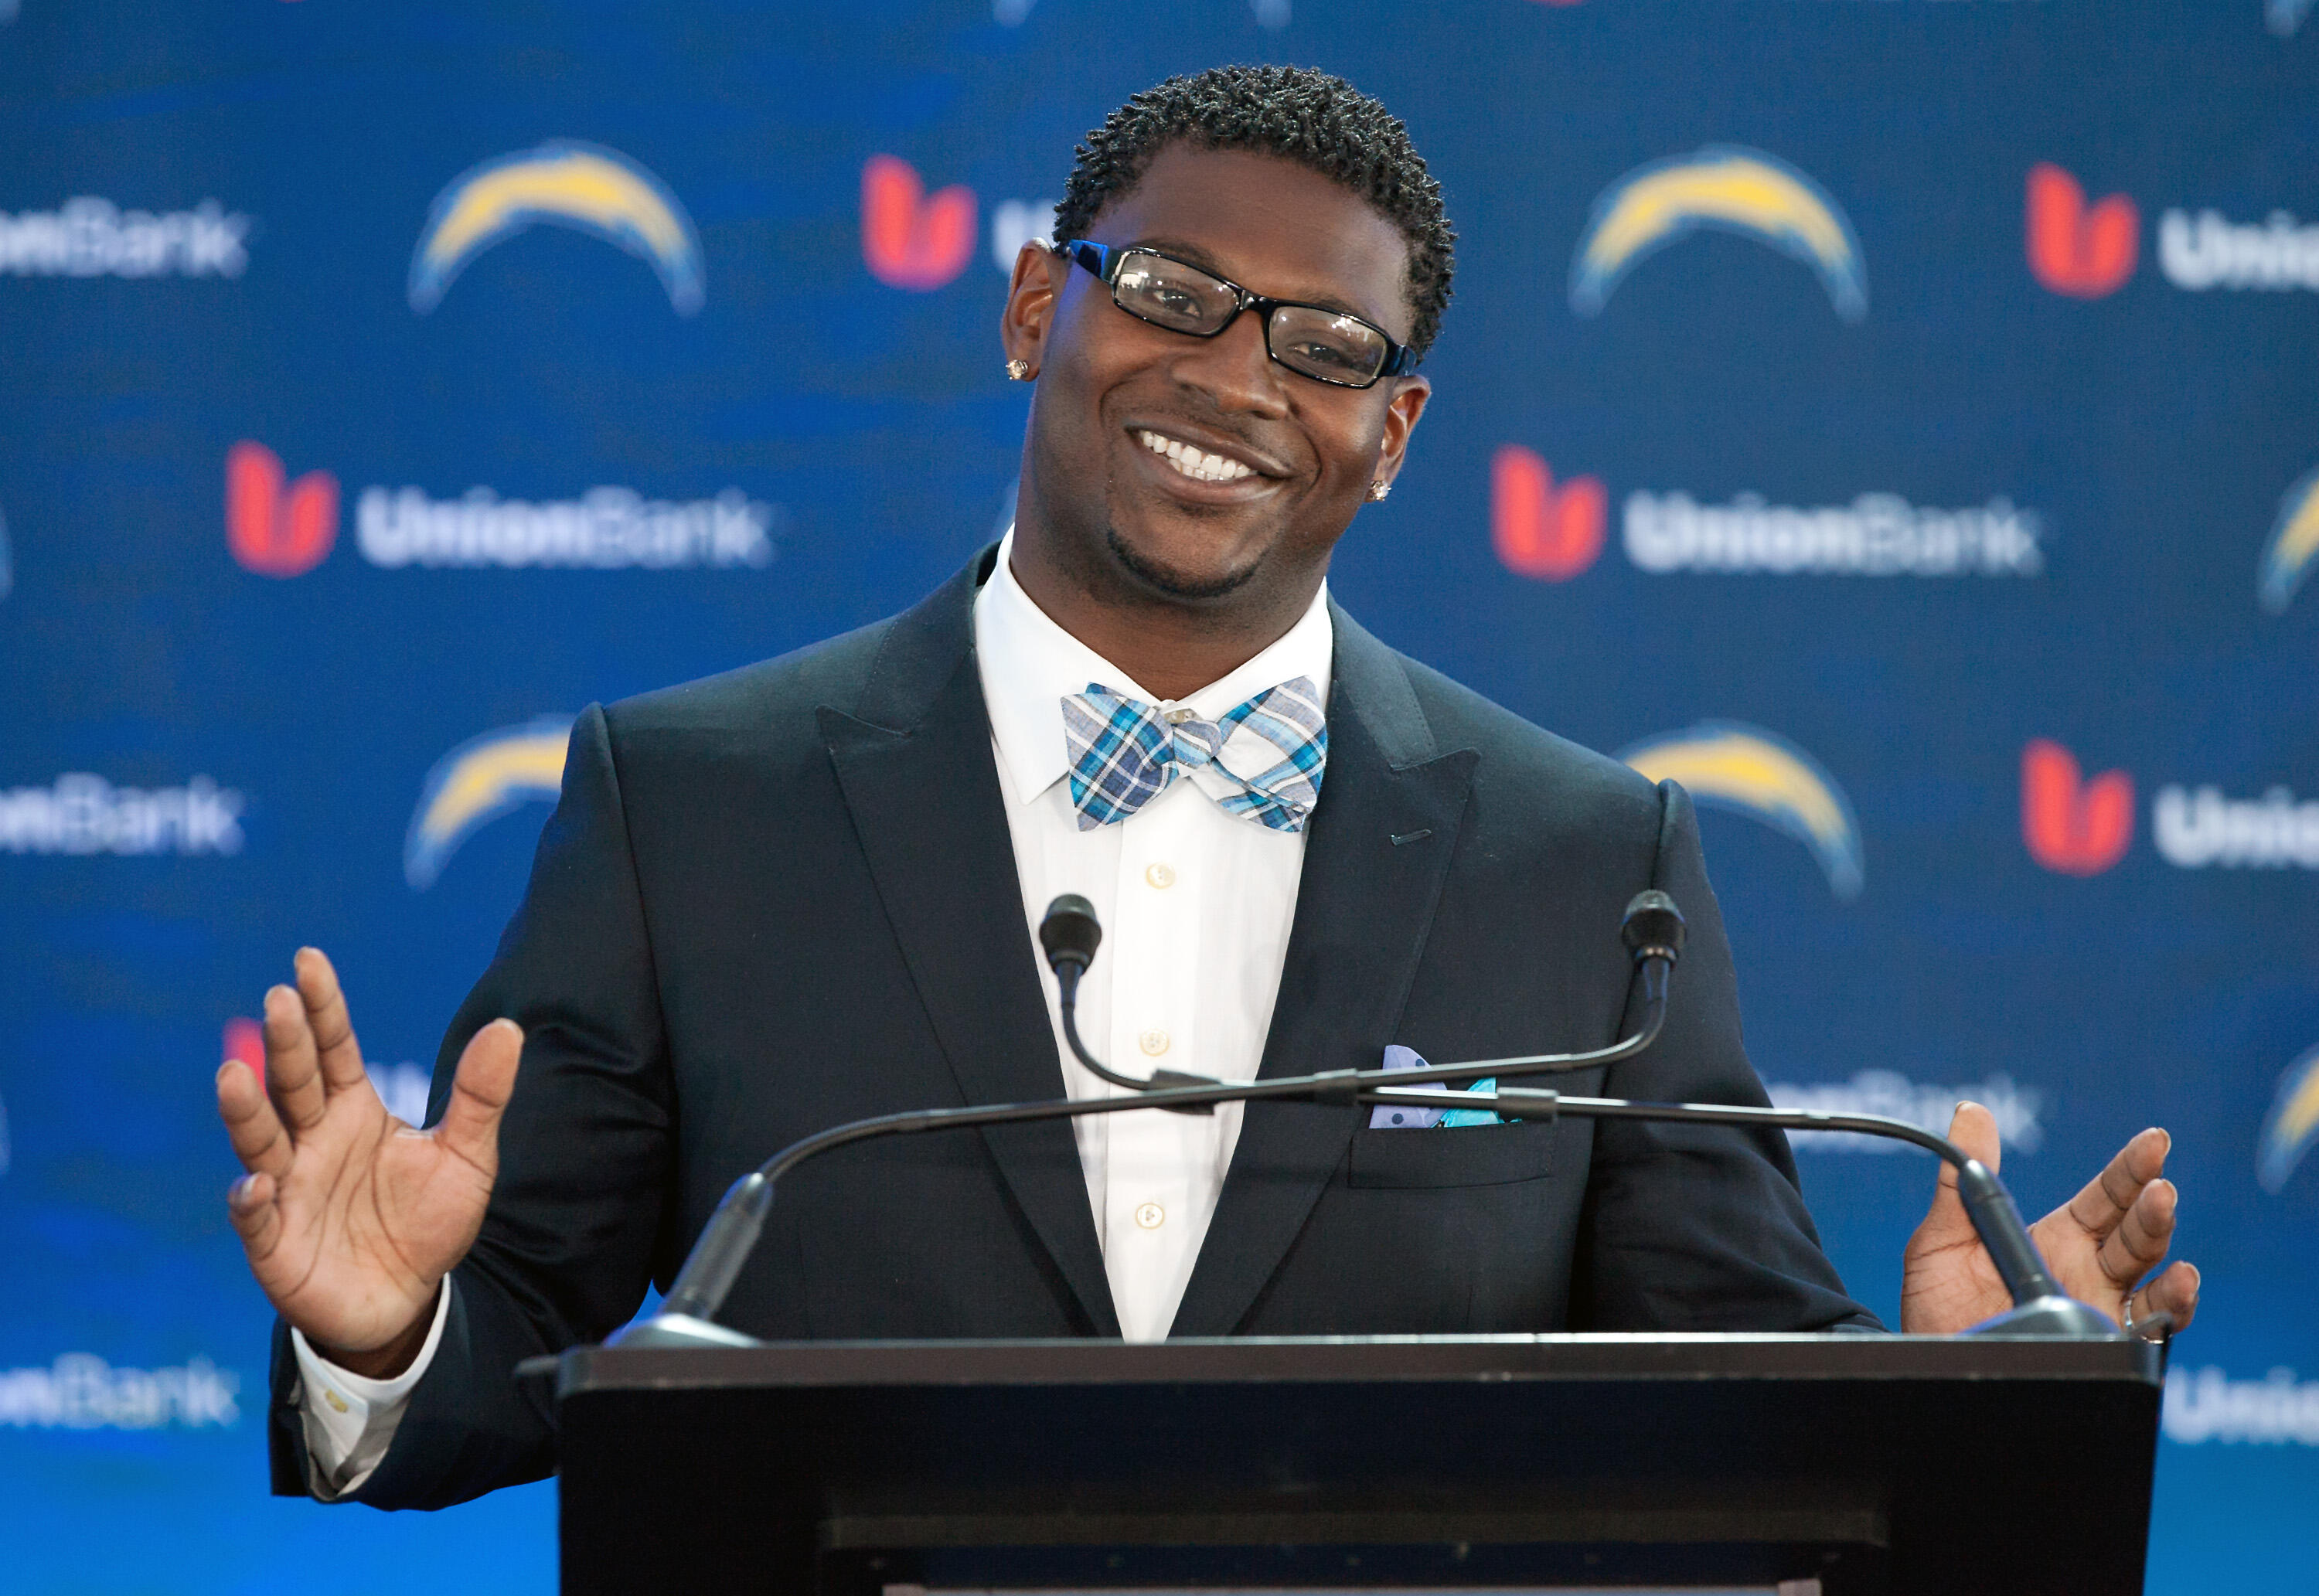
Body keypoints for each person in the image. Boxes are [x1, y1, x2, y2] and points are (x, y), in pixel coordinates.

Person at [215, 66, 2199, 1511]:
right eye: (1170, 291)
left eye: (1329, 345)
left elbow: (1737, 1404)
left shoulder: (1592, 861)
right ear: (1029, 309)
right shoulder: (690, 800)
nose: (1240, 378)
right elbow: (526, 1358)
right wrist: (381, 1324)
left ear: (1395, 432)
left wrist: (1966, 1391)